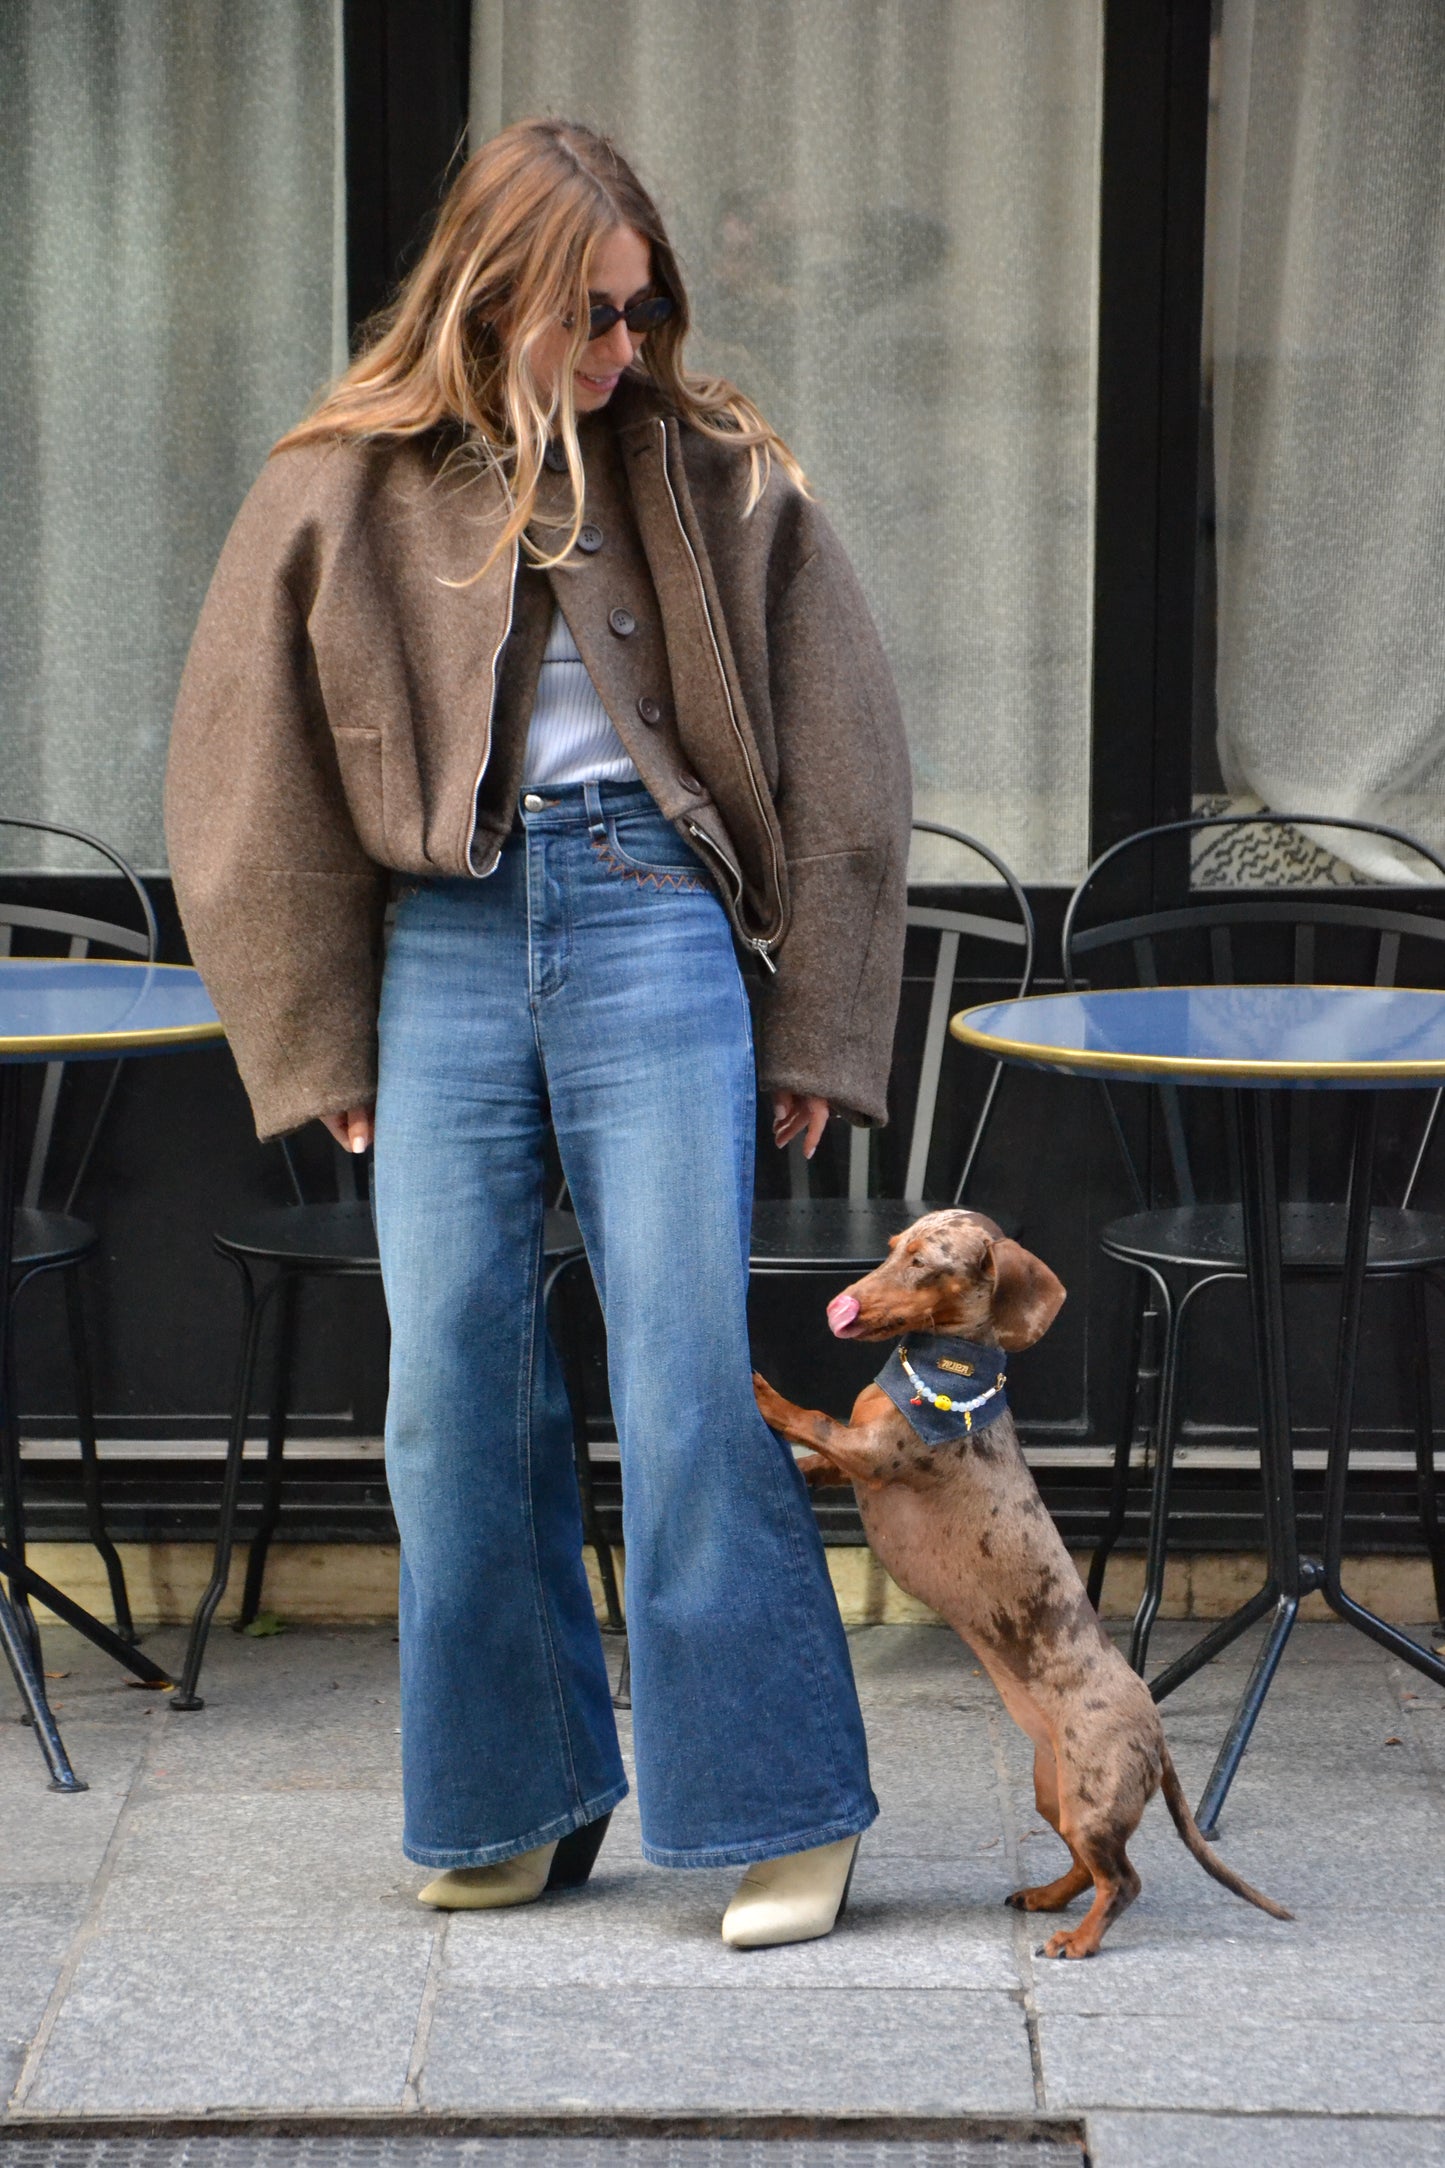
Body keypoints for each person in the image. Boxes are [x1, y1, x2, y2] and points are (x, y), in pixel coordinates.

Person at [166, 117, 911, 1947]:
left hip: (654, 922)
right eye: (586, 312)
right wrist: (315, 1040)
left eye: (639, 311)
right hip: (440, 946)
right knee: (449, 1398)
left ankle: (779, 1807)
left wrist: (816, 1019)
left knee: (676, 1380)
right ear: (489, 296)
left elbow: (845, 752)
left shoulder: (721, 471)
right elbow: (242, 779)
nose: (617, 348)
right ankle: (517, 1794)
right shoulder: (340, 480)